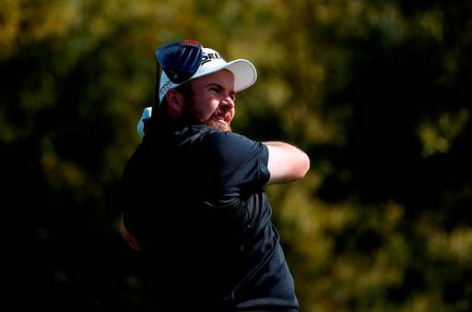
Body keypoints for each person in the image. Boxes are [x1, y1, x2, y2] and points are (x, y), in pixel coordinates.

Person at [119, 39, 310, 311]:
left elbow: (131, 235)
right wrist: (249, 150)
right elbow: (300, 162)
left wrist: (160, 147)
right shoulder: (221, 151)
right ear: (175, 99)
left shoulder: (138, 167)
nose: (228, 104)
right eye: (216, 90)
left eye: (232, 94)